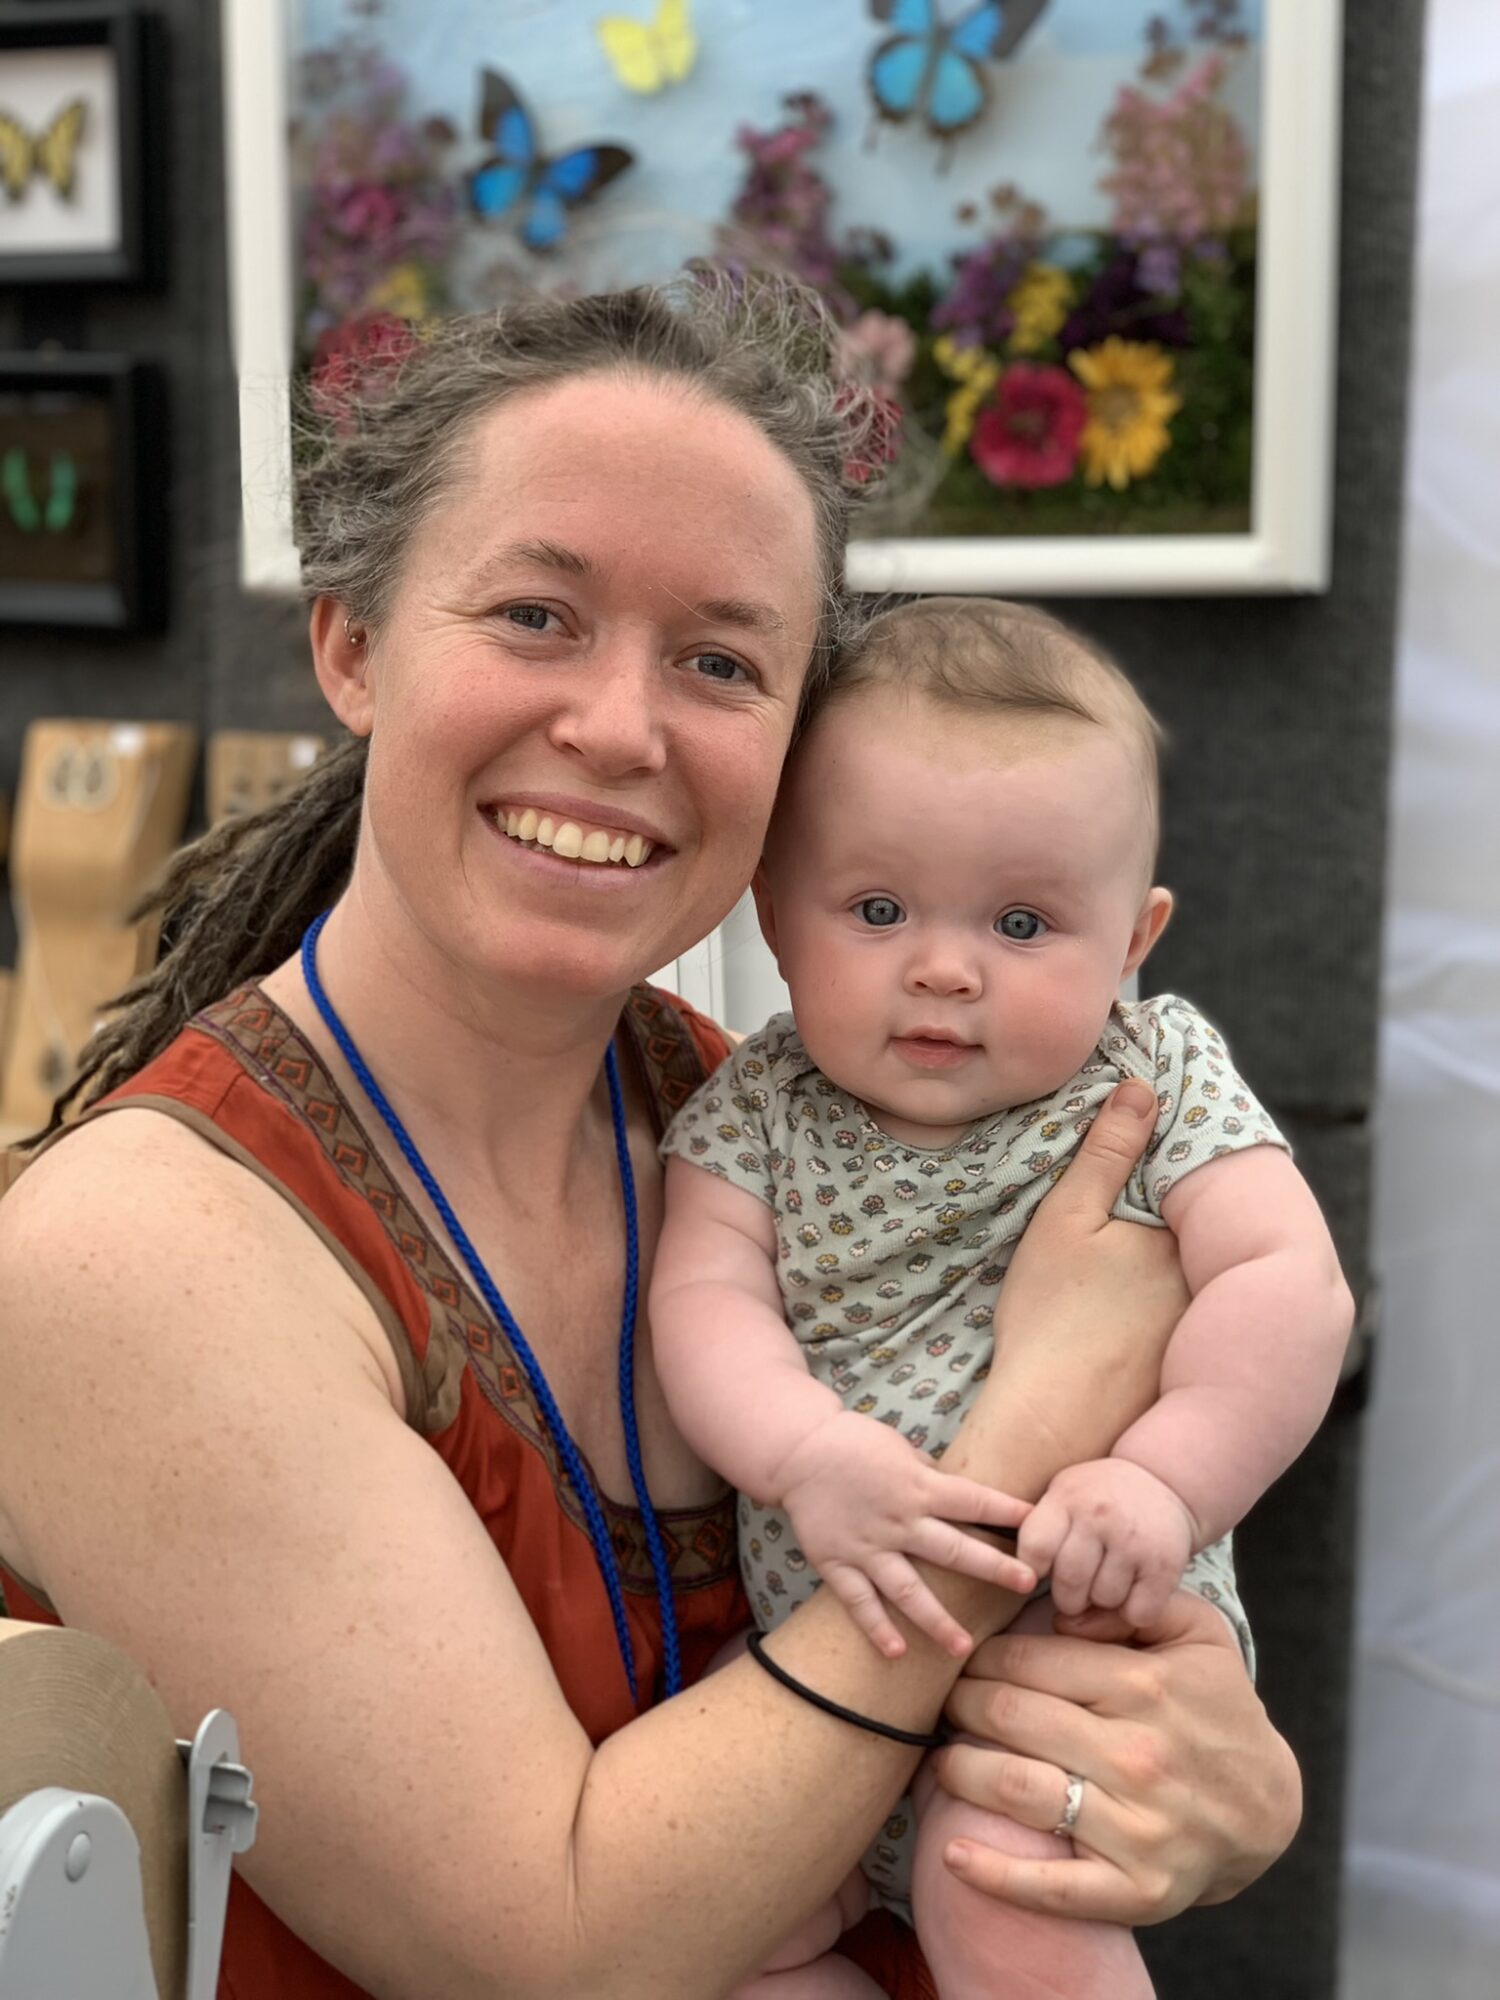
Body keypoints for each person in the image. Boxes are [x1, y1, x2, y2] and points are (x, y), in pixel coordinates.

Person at [0, 281, 1300, 2000]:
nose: (620, 728)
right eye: (537, 615)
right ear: (353, 648)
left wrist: (1220, 1787)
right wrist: (1027, 1443)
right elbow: (550, 1950)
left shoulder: (759, 1114)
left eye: (720, 662)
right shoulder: (140, 1256)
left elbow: (1146, 1719)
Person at [653, 598, 1352, 1995]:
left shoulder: (1156, 1076)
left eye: (1023, 922)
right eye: (877, 910)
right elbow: (702, 1306)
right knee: (713, 1918)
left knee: (1006, 1894)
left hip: (1069, 1651)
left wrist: (1164, 1482)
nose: (944, 966)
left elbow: (1288, 1284)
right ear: (775, 916)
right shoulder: (753, 1109)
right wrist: (806, 1451)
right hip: (819, 1647)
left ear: (1134, 939)